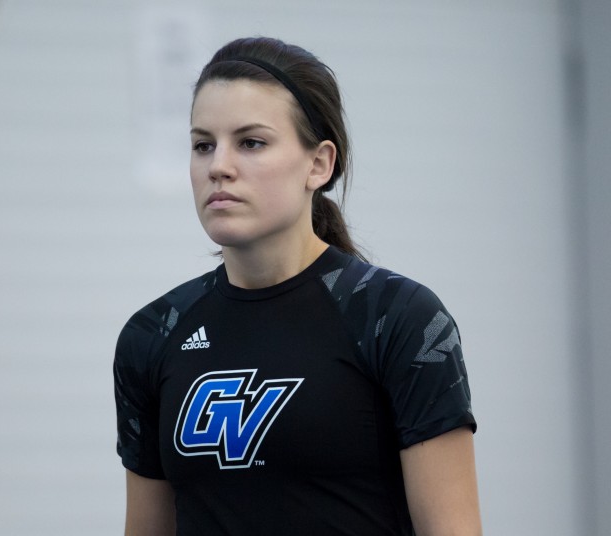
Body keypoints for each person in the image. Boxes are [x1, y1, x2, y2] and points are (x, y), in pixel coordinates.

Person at [113, 36, 481, 535]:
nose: (218, 166)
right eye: (203, 144)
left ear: (319, 164)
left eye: (251, 142)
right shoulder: (154, 334)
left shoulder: (398, 319)